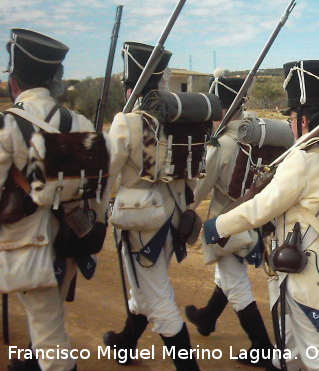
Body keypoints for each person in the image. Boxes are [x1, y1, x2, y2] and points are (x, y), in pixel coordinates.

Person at [203, 60, 319, 371]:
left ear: (303, 120)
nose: (290, 123)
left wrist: (217, 226)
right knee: (289, 348)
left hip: (307, 276)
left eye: (292, 116)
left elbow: (261, 208)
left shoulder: (302, 159)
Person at [0, 29, 95, 371]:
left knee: (49, 336)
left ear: (14, 81)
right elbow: (95, 192)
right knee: (48, 319)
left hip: (27, 247)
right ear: (56, 79)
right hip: (69, 240)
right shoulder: (80, 122)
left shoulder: (7, 126)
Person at [103, 41, 200, 370]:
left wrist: (97, 210)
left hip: (142, 224)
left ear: (130, 87)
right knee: (147, 285)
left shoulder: (125, 121)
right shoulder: (181, 118)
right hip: (174, 219)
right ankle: (125, 342)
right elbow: (192, 175)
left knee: (157, 297)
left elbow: (107, 175)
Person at [185, 73, 274, 368]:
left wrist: (183, 209)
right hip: (252, 223)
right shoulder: (258, 138)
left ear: (222, 111)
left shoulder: (221, 145)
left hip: (225, 227)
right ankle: (207, 318)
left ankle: (262, 347)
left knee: (236, 286)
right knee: (228, 275)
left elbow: (200, 190)